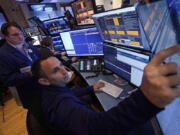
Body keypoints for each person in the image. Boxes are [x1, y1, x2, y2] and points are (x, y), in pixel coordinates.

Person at [29, 45, 180, 135]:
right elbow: (99, 129)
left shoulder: (50, 91)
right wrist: (146, 98)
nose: (63, 71)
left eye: (61, 65)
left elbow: (69, 93)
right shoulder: (61, 105)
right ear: (44, 80)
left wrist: (90, 88)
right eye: (56, 71)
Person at [0, 22, 40, 106]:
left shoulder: (28, 46)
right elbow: (7, 80)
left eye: (21, 33)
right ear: (6, 37)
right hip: (30, 95)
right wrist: (30, 74)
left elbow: (40, 59)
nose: (20, 37)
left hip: (43, 87)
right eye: (15, 35)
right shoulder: (3, 54)